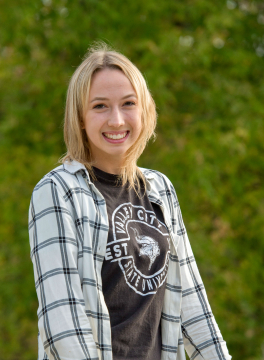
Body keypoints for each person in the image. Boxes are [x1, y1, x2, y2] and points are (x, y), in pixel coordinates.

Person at [28, 43, 231, 360]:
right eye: (100, 106)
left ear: (144, 110)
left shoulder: (159, 189)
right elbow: (62, 322)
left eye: (128, 103)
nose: (117, 120)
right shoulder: (57, 191)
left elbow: (194, 306)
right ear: (80, 117)